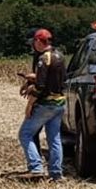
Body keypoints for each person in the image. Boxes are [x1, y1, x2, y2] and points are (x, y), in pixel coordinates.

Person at [19, 28, 65, 180]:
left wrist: (29, 104)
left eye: (34, 41)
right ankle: (56, 172)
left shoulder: (43, 58)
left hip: (46, 103)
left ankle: (36, 167)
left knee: (25, 134)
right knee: (55, 139)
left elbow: (40, 86)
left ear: (39, 41)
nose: (33, 45)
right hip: (59, 103)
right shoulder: (59, 56)